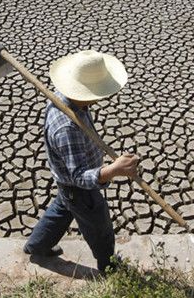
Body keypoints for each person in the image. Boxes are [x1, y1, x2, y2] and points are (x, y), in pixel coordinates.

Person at [23, 49, 139, 273]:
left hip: (66, 184)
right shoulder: (67, 128)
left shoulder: (67, 98)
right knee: (100, 229)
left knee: (61, 210)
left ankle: (37, 245)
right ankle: (110, 268)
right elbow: (78, 177)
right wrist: (114, 169)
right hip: (79, 189)